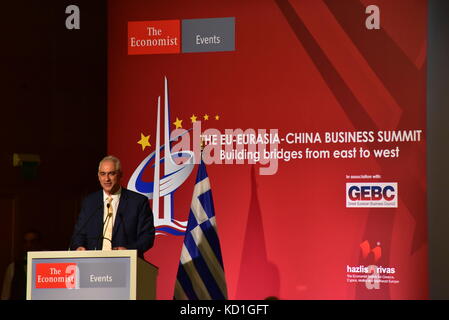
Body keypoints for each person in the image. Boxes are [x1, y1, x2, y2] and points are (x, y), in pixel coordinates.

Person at [70, 155, 155, 256]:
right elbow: (78, 234)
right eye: (103, 174)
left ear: (120, 175)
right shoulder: (90, 202)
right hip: (92, 263)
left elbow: (147, 237)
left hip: (126, 264)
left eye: (111, 174)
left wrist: (129, 251)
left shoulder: (138, 202)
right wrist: (79, 246)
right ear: (98, 176)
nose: (106, 179)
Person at [1, 230, 43, 300]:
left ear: (39, 244)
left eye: (32, 242)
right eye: (25, 242)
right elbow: (5, 295)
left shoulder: (48, 267)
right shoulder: (13, 268)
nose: (28, 245)